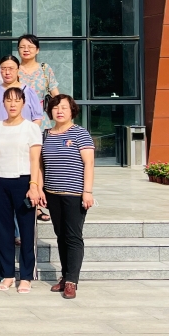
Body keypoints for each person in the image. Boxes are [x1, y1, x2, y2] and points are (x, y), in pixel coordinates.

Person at [31, 94, 95, 300]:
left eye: (64, 108)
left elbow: (89, 164)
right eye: (55, 107)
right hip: (53, 194)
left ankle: (71, 281)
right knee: (60, 236)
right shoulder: (45, 135)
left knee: (73, 237)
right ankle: (65, 275)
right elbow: (40, 166)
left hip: (74, 194)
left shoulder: (80, 133)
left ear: (72, 110)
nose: (59, 111)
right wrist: (40, 188)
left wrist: (87, 192)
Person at [0, 87, 42, 293]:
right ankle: (8, 274)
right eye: (9, 100)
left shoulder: (31, 128)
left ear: (24, 103)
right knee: (4, 230)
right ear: (3, 103)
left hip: (24, 181)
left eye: (17, 100)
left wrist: (34, 185)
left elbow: (35, 160)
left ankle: (26, 276)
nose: (12, 104)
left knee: (26, 230)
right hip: (0, 180)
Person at [0, 56, 44, 125]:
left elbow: (37, 118)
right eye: (3, 69)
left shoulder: (29, 91)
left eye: (11, 68)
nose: (7, 72)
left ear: (18, 69)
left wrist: (30, 130)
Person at [17, 34, 60, 129]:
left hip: (41, 119)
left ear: (37, 50)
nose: (26, 50)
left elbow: (55, 94)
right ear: (18, 50)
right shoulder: (14, 70)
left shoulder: (45, 68)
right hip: (18, 117)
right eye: (22, 47)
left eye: (30, 47)